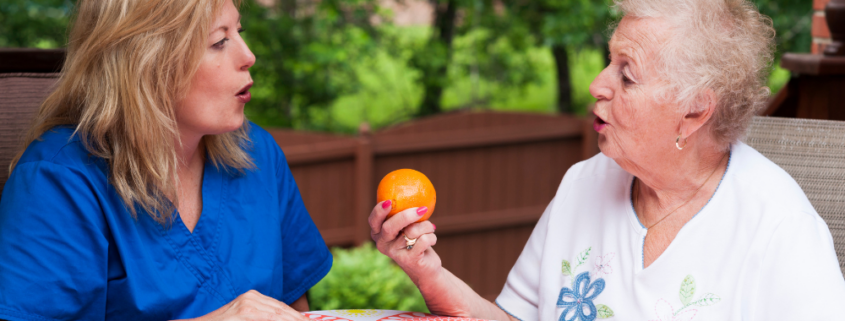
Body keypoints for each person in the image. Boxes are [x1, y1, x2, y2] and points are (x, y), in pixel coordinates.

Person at [369, 0, 845, 320]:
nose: (598, 83)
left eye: (627, 75)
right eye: (608, 60)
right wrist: (426, 270)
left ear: (695, 110)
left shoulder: (780, 230)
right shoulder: (584, 183)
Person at [0, 0, 328, 320]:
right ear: (146, 60)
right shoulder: (56, 181)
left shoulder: (258, 152)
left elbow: (294, 308)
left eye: (239, 30)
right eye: (219, 41)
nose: (248, 56)